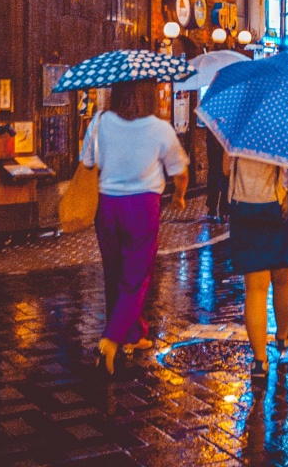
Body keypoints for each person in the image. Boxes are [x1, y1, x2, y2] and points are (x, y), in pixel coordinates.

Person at [80, 79, 189, 374]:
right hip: (142, 206)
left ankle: (131, 333)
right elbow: (180, 171)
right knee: (135, 276)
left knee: (113, 271)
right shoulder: (160, 128)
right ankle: (111, 340)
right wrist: (179, 196)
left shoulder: (101, 121)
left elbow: (87, 161)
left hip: (107, 206)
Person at [224, 152, 288, 392]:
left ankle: (259, 362)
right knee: (282, 280)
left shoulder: (237, 124)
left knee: (255, 289)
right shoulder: (284, 124)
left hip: (245, 209)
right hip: (281, 208)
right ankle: (282, 335)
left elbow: (226, 170)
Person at [205, 127, 229, 220]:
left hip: (217, 159)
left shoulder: (212, 126)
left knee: (220, 180)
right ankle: (220, 210)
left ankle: (217, 209)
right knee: (221, 180)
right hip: (217, 159)